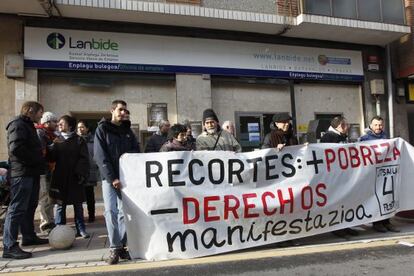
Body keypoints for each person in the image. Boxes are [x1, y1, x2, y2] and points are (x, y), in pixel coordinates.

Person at [94, 100, 140, 265]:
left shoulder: (128, 131)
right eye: (120, 110)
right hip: (109, 179)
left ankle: (121, 246)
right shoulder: (102, 129)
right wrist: (112, 177)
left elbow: (135, 151)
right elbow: (100, 156)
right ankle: (114, 247)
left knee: (123, 213)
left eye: (125, 111)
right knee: (110, 212)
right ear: (112, 110)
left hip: (126, 178)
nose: (123, 113)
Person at [3, 101, 48, 260]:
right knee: (16, 209)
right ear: (30, 111)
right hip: (22, 174)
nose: (41, 116)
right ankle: (9, 246)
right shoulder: (18, 124)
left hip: (31, 172)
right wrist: (36, 160)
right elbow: (16, 149)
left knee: (29, 206)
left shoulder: (28, 125)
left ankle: (28, 236)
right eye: (40, 112)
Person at [48, 115, 90, 239]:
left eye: (62, 123)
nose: (59, 125)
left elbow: (84, 158)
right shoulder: (57, 140)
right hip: (60, 178)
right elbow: (51, 158)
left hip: (75, 177)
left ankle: (81, 229)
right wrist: (49, 149)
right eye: (58, 123)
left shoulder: (79, 140)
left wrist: (81, 173)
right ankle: (60, 229)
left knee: (78, 205)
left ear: (70, 126)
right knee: (60, 205)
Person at [360, 116, 399, 233]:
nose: (378, 127)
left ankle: (387, 221)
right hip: (372, 174)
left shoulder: (386, 137)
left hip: (385, 173)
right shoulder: (364, 139)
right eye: (376, 125)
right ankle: (377, 223)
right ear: (371, 126)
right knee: (374, 198)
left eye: (380, 125)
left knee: (386, 197)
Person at [320, 116, 358, 238]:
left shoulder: (340, 136)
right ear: (340, 126)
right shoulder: (329, 137)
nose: (348, 127)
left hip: (342, 174)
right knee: (337, 201)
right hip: (334, 175)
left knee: (345, 200)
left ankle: (345, 226)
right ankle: (337, 227)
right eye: (346, 125)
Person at [35, 111, 58, 233]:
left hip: (49, 170)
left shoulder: (51, 134)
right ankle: (45, 224)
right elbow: (42, 152)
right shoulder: (40, 133)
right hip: (43, 171)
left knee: (50, 198)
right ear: (46, 122)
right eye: (54, 121)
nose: (56, 123)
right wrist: (54, 145)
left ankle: (51, 221)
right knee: (44, 197)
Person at [77, 120, 99, 223]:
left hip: (90, 171)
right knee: (78, 197)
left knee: (90, 195)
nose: (80, 129)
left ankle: (91, 216)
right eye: (78, 128)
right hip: (78, 172)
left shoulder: (94, 140)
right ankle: (79, 218)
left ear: (87, 128)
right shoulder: (75, 140)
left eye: (82, 127)